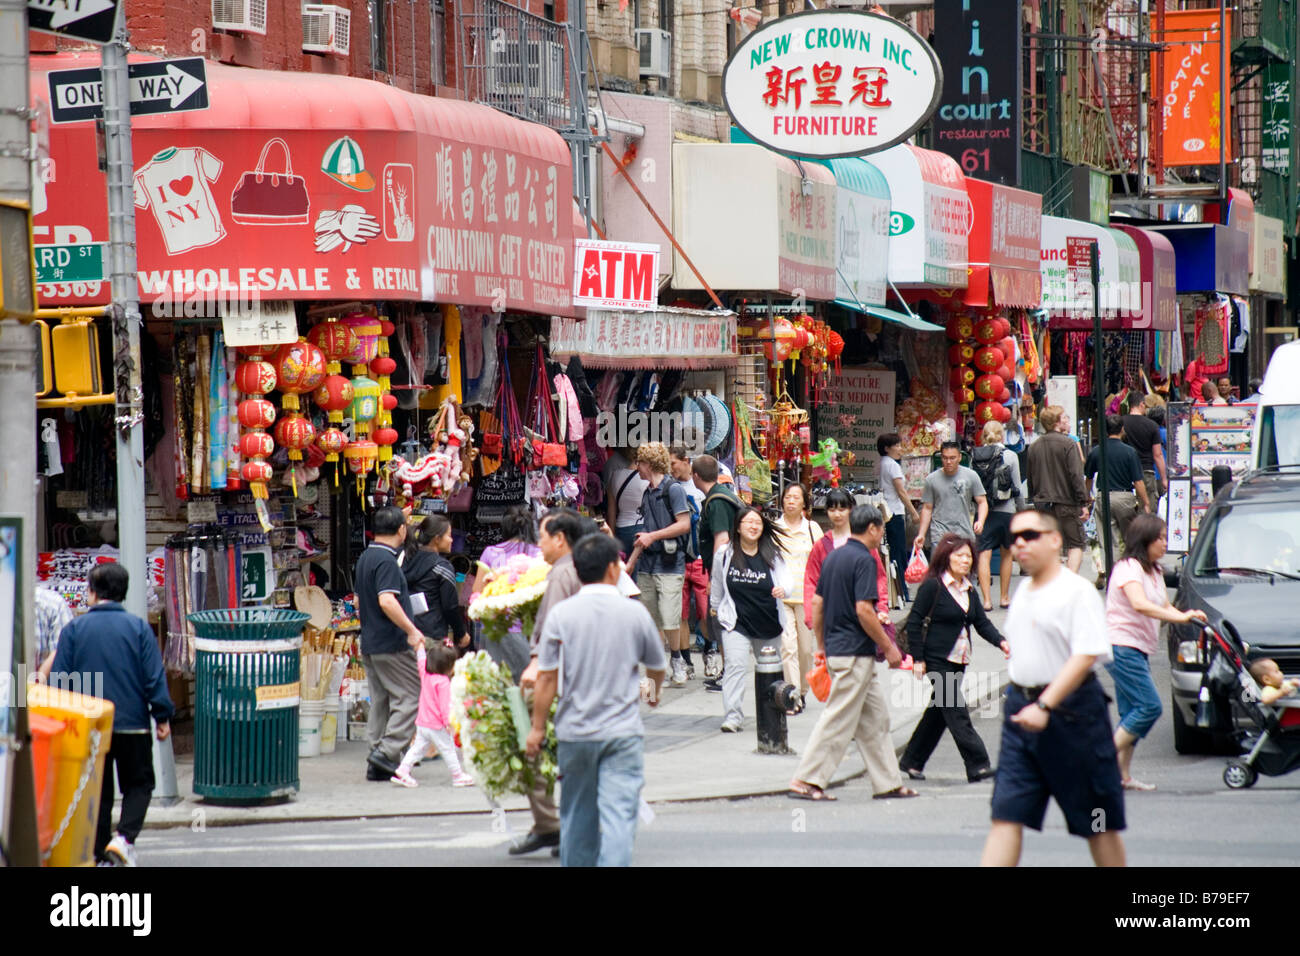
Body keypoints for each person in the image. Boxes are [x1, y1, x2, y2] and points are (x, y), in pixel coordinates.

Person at [980, 510, 1126, 867]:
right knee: (1006, 814)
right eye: (1015, 537)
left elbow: (1087, 653)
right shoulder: (1024, 591)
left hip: (1072, 714)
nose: (1020, 543)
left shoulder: (1075, 591)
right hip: (1021, 710)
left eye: (1030, 535)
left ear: (1055, 540)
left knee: (1098, 821)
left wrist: (1045, 706)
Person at [528, 532, 668, 867]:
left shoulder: (561, 615)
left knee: (578, 815)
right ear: (613, 568)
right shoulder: (635, 613)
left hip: (575, 732)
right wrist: (651, 692)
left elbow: (546, 676)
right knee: (619, 815)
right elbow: (657, 666)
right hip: (622, 732)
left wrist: (536, 729)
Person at [788, 505, 918, 802]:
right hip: (854, 653)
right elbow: (864, 609)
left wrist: (821, 645)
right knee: (838, 718)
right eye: (881, 528)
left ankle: (888, 783)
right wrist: (889, 647)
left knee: (875, 720)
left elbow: (817, 604)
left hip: (840, 649)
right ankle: (806, 779)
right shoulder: (864, 560)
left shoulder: (833, 557)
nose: (882, 533)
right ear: (871, 528)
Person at [48, 562, 173, 867]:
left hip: (90, 727)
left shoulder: (74, 630)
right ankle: (124, 839)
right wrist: (162, 715)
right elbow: (153, 677)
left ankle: (101, 850)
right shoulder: (139, 629)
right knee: (139, 785)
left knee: (97, 791)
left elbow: (59, 681)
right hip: (132, 724)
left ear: (91, 592)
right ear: (124, 593)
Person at [1105, 514, 1206, 791]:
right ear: (1144, 539)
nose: (1164, 543)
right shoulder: (1128, 568)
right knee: (1149, 707)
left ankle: (1122, 776)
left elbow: (1164, 606)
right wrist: (1180, 619)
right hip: (1121, 645)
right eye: (1160, 538)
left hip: (1138, 647)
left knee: (1130, 714)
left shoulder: (1155, 571)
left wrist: (1187, 615)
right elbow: (1139, 604)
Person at [899, 534, 1009, 783]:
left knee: (939, 711)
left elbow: (981, 623)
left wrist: (1001, 641)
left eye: (969, 556)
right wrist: (918, 658)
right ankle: (978, 764)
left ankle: (911, 761)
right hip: (936, 659)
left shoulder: (969, 590)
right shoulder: (933, 587)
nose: (965, 560)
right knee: (957, 712)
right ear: (946, 557)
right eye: (959, 555)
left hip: (960, 659)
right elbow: (914, 622)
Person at [512, 507, 589, 857]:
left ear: (560, 539)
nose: (538, 543)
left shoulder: (561, 574)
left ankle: (550, 825)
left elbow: (553, 632)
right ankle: (565, 826)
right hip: (578, 677)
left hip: (559, 678)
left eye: (542, 536)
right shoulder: (581, 568)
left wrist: (536, 666)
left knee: (535, 745)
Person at [354, 506, 425, 782]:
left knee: (381, 700)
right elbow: (386, 600)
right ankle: (388, 751)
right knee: (411, 695)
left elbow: (360, 601)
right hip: (391, 642)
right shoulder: (386, 561)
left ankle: (378, 759)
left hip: (371, 640)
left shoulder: (365, 558)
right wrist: (410, 629)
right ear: (401, 530)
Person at [712, 506, 794, 732]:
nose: (753, 526)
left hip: (768, 622)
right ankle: (732, 717)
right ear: (738, 527)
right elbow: (717, 584)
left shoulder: (772, 554)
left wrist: (782, 590)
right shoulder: (725, 553)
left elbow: (788, 582)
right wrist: (715, 609)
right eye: (748, 522)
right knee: (735, 666)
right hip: (736, 622)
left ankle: (771, 714)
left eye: (757, 522)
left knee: (770, 671)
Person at [625, 441, 692, 686]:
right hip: (648, 565)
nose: (637, 468)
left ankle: (677, 660)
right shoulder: (647, 493)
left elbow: (683, 524)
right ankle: (658, 667)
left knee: (670, 616)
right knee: (652, 618)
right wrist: (631, 562)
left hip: (671, 563)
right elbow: (644, 531)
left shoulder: (673, 490)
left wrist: (653, 536)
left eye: (639, 462)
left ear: (650, 463)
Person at [391, 640, 474, 788]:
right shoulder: (443, 683)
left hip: (422, 722)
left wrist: (421, 647)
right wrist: (448, 723)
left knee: (417, 749)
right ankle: (457, 775)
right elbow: (444, 706)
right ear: (448, 666)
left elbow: (421, 661)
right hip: (436, 725)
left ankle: (403, 769)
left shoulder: (426, 675)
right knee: (447, 749)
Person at [693, 454, 742, 681]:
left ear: (695, 476)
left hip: (725, 571)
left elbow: (721, 540)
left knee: (723, 622)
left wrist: (715, 578)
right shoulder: (718, 496)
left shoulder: (718, 501)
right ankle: (727, 671)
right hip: (729, 569)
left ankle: (729, 673)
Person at [1025, 405, 1089, 573]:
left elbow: (1030, 477)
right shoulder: (1068, 443)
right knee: (1076, 543)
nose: (1067, 421)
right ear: (1057, 422)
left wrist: (1034, 498)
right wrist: (1083, 501)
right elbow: (1076, 475)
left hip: (1043, 502)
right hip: (1066, 501)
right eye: (1064, 418)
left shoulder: (1034, 446)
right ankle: (1069, 579)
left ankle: (1053, 577)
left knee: (1050, 542)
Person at [776, 482, 825, 695]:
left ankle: (803, 691)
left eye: (796, 497)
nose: (791, 501)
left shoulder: (813, 529)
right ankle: (792, 694)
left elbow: (824, 561)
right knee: (788, 648)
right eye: (787, 497)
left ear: (804, 503)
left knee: (805, 650)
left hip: (807, 597)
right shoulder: (775, 529)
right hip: (783, 597)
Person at [1085, 415, 1150, 572]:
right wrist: (1146, 502)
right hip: (1125, 497)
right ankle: (1131, 569)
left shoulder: (1096, 451)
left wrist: (1087, 497)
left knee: (1109, 539)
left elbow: (1088, 477)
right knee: (1130, 537)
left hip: (1103, 496)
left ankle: (1113, 571)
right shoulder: (1130, 452)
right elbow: (1138, 481)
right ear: (1122, 429)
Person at [972, 421, 1024, 611]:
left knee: (984, 555)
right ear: (1002, 435)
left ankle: (986, 600)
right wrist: (1021, 511)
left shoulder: (975, 455)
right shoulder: (1011, 456)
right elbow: (1017, 487)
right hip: (1007, 510)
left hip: (984, 512)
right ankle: (1004, 597)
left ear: (983, 435)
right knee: (1007, 554)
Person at [402, 515, 470, 650]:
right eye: (449, 535)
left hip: (406, 633)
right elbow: (450, 606)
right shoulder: (442, 567)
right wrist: (461, 633)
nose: (452, 540)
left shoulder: (405, 560)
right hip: (431, 636)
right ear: (437, 539)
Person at [915, 440, 988, 557]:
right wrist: (921, 534)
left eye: (952, 458)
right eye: (945, 458)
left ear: (959, 457)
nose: (948, 462)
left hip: (964, 533)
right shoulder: (931, 479)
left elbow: (982, 501)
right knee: (940, 572)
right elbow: (927, 509)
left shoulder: (971, 476)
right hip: (939, 535)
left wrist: (980, 521)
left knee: (964, 571)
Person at [671, 443, 707, 679]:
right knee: (681, 614)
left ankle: (711, 652)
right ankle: (685, 660)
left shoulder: (702, 486)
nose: (670, 468)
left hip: (702, 558)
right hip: (678, 558)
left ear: (686, 461)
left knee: (705, 611)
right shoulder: (670, 488)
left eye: (673, 463)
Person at [878, 432, 921, 603]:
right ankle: (901, 591)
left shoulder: (883, 463)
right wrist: (913, 511)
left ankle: (898, 591)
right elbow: (901, 491)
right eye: (896, 445)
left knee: (893, 552)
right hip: (894, 512)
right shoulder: (892, 465)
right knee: (898, 552)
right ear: (887, 448)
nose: (899, 448)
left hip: (887, 510)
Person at [606, 447, 649, 557]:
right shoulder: (645, 479)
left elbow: (611, 509)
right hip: (641, 526)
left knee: (624, 566)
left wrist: (611, 533)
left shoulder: (615, 476)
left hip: (621, 527)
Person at [1123, 394, 1167, 499]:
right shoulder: (1152, 425)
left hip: (1125, 472)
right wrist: (1164, 479)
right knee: (1147, 509)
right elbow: (1157, 455)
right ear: (1142, 404)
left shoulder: (1121, 423)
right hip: (1146, 471)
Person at [479, 505, 541, 570]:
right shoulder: (541, 553)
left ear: (505, 527)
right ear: (530, 527)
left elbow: (481, 580)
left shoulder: (490, 552)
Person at [34, 585, 73, 682]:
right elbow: (63, 652)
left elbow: (62, 650)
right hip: (41, 691)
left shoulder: (52, 603)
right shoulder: (53, 602)